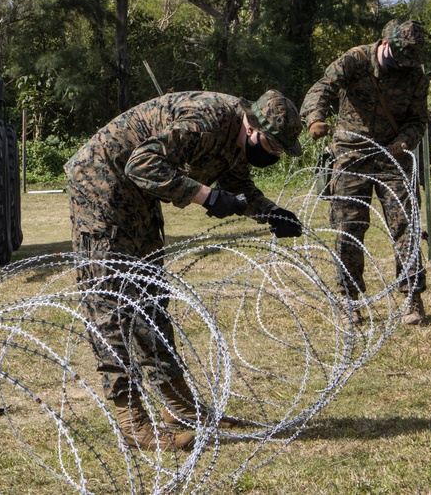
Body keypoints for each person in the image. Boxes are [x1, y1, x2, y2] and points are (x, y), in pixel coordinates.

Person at [65, 89, 304, 451]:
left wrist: (271, 212)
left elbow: (237, 185)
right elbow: (141, 164)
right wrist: (209, 197)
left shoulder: (236, 135)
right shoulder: (206, 122)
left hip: (139, 195)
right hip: (102, 182)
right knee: (111, 302)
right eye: (271, 146)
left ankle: (181, 409)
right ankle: (131, 422)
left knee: (150, 297)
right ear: (252, 126)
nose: (272, 155)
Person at [301, 19, 429, 326]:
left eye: (408, 61)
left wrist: (404, 141)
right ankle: (349, 299)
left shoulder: (415, 76)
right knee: (349, 228)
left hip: (392, 157)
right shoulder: (355, 60)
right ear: (384, 44)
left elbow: (418, 120)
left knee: (406, 226)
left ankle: (412, 298)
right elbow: (323, 87)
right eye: (398, 58)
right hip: (350, 153)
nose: (402, 66)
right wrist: (315, 118)